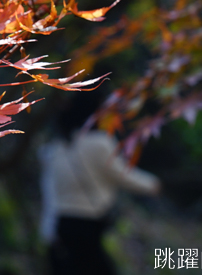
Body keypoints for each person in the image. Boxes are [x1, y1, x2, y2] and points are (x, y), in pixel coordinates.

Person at [39, 95, 161, 275]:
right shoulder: (99, 143)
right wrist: (154, 185)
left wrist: (47, 231)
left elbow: (49, 192)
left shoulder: (53, 149)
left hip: (61, 227)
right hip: (88, 226)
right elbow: (123, 176)